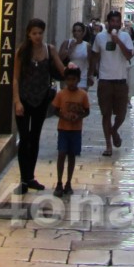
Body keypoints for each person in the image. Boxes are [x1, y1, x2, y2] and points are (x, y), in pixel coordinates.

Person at [12, 18, 67, 194]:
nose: (37, 36)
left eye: (40, 33)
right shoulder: (22, 51)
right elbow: (15, 78)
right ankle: (23, 179)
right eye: (34, 33)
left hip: (41, 99)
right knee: (24, 139)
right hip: (24, 98)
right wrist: (17, 101)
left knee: (35, 138)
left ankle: (30, 177)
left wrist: (71, 68)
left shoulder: (49, 50)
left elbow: (62, 70)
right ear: (29, 34)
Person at [89, 9, 134, 155]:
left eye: (117, 21)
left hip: (121, 80)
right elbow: (95, 56)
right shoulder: (100, 38)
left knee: (121, 115)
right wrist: (91, 74)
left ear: (120, 23)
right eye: (112, 21)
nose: (114, 24)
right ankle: (108, 145)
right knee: (106, 114)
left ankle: (114, 131)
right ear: (108, 22)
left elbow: (128, 56)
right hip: (105, 80)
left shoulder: (125, 36)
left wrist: (118, 41)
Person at [51, 63, 90, 197]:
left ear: (78, 80)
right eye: (69, 80)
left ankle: (68, 182)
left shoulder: (83, 95)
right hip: (63, 128)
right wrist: (64, 116)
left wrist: (78, 116)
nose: (71, 82)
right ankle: (59, 182)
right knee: (62, 153)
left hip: (76, 130)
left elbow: (87, 111)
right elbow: (55, 110)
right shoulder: (61, 94)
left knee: (72, 155)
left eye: (73, 80)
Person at [59, 21, 93, 90]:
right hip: (68, 78)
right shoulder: (67, 43)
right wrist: (69, 49)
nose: (76, 33)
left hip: (82, 78)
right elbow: (59, 59)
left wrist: (90, 76)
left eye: (79, 31)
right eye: (74, 31)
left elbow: (91, 63)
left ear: (83, 33)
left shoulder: (87, 46)